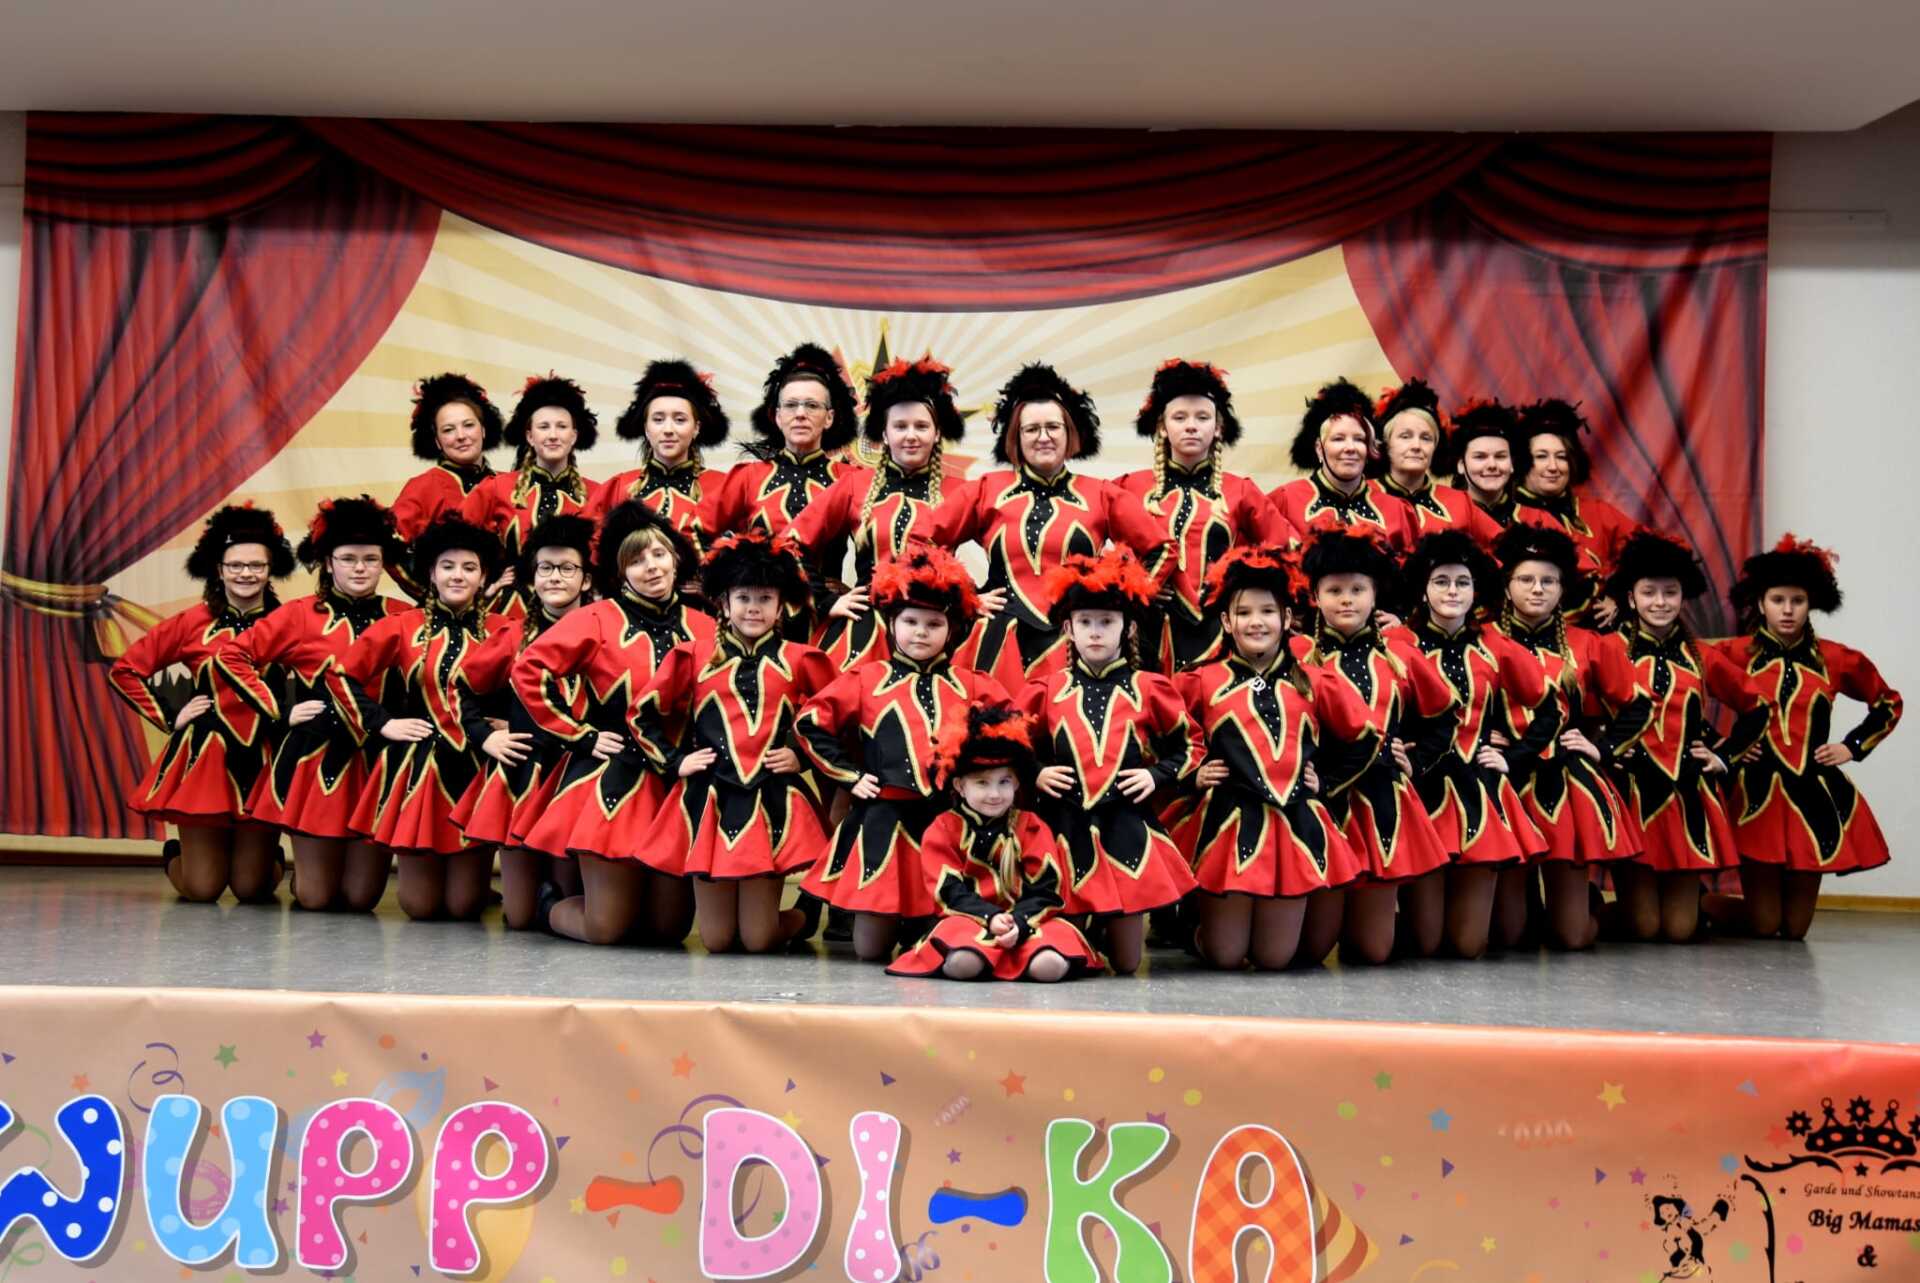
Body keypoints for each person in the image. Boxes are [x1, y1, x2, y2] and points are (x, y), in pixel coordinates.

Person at [514, 501, 715, 945]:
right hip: (615, 778)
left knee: (669, 931)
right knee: (605, 929)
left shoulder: (705, 626)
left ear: (676, 558)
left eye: (659, 554)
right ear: (620, 571)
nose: (651, 567)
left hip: (677, 781)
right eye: (636, 560)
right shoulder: (596, 618)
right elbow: (528, 671)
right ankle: (547, 906)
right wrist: (580, 735)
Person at [796, 545, 1009, 962]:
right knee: (869, 950)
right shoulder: (866, 678)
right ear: (892, 623)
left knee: (934, 942)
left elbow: (1013, 734)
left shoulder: (972, 684)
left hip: (948, 826)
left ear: (952, 629)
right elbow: (810, 723)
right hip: (883, 822)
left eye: (934, 624)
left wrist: (981, 785)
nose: (921, 633)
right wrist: (850, 776)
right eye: (910, 622)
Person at [630, 531, 835, 953]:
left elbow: (836, 719)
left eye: (765, 599)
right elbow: (641, 714)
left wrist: (800, 755)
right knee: (718, 940)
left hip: (771, 798)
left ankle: (802, 916)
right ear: (723, 603)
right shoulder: (692, 656)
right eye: (743, 598)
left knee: (758, 940)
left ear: (781, 605)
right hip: (709, 799)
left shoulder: (801, 659)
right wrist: (674, 761)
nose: (753, 608)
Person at [1172, 545, 1364, 971]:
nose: (1256, 622)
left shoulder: (1314, 680)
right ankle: (1195, 929)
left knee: (1275, 959)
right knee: (1225, 957)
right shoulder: (1201, 680)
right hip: (1229, 823)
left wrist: (1327, 781)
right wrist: (1193, 773)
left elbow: (1364, 737)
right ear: (1226, 622)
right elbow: (1165, 739)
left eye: (1267, 612)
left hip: (1296, 822)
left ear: (1287, 619)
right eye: (1243, 613)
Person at [1703, 535, 1902, 939]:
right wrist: (1723, 747)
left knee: (1795, 930)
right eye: (1778, 600)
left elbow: (1888, 703)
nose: (1788, 609)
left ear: (1812, 603)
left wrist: (1851, 746)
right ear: (1760, 603)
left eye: (1797, 600)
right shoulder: (1734, 653)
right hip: (1755, 793)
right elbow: (1678, 690)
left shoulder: (1836, 658)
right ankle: (1699, 904)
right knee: (1764, 926)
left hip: (1813, 792)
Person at [216, 496, 409, 912]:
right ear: (327, 562)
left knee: (360, 899)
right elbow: (232, 656)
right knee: (316, 898)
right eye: (348, 559)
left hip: (378, 758)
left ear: (383, 564)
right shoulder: (300, 615)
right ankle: (303, 878)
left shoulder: (403, 616)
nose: (360, 568)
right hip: (315, 758)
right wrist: (278, 711)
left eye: (371, 559)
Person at [925, 362, 1169, 691]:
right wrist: (965, 598)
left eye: (1053, 427)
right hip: (998, 641)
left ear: (1070, 433)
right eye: (1031, 429)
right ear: (1016, 436)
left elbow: (1161, 549)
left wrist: (1126, 599)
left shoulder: (1102, 494)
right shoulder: (985, 490)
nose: (1043, 437)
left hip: (1074, 643)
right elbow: (924, 543)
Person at [1017, 547, 1201, 975]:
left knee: (1127, 964)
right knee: (1068, 954)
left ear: (1128, 628)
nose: (1095, 632)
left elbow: (1192, 747)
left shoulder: (1150, 687)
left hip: (1126, 827)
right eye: (1085, 623)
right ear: (1068, 628)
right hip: (1064, 828)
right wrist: (1037, 772)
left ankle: (1108, 931)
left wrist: (1157, 775)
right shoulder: (1046, 689)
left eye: (1107, 622)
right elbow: (1009, 745)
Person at [327, 516, 515, 921]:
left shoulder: (506, 630)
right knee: (419, 906)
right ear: (431, 573)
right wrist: (382, 722)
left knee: (464, 907)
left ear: (484, 577)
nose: (457, 575)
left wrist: (510, 724)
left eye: (469, 567)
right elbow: (340, 675)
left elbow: (538, 684)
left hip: (480, 768)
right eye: (447, 566)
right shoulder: (401, 627)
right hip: (420, 769)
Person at [109, 504, 296, 903]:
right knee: (203, 888)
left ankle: (265, 859)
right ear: (218, 569)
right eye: (236, 565)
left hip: (266, 753)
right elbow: (125, 670)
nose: (246, 573)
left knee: (251, 889)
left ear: (271, 568)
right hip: (205, 756)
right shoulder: (191, 622)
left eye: (256, 565)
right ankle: (179, 855)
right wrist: (170, 716)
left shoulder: (291, 621)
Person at [1292, 530, 1456, 964]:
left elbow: (1443, 719)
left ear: (1375, 594)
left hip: (1384, 801)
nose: (1347, 600)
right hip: (1321, 801)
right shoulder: (1296, 654)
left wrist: (1415, 759)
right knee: (1310, 952)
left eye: (1358, 590)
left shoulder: (1402, 655)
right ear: (1315, 596)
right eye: (1334, 591)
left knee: (1373, 952)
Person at [1388, 531, 1550, 957]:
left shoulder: (1495, 646)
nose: (1452, 591)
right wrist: (1396, 749)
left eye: (1462, 582)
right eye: (1441, 581)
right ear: (1423, 588)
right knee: (1426, 945)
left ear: (1476, 590)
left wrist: (1515, 755)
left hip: (1480, 791)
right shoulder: (1397, 644)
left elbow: (1549, 707)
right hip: (1421, 792)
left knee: (1468, 946)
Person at [1603, 529, 1768, 945]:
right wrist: (1604, 749)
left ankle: (1700, 905)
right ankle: (1586, 909)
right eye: (1649, 592)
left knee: (1679, 932)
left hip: (1687, 794)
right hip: (1631, 793)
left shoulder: (1703, 656)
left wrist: (1724, 756)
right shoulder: (1606, 650)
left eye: (1670, 592)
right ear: (1630, 598)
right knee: (1644, 929)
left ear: (1683, 597)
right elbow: (1576, 708)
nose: (1660, 602)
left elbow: (1758, 707)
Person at [1491, 525, 1649, 949]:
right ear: (1507, 586)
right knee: (1511, 937)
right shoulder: (1484, 639)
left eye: (1548, 581)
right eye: (1526, 579)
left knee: (1572, 937)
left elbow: (1637, 705)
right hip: (1505, 780)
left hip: (1567, 783)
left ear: (1563, 589)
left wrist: (1602, 748)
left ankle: (1586, 905)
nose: (1537, 589)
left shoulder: (1590, 644)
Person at [448, 514, 596, 929]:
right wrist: (484, 737)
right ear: (532, 577)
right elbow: (461, 688)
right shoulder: (513, 636)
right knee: (519, 918)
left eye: (566, 568)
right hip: (522, 776)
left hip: (578, 776)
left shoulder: (606, 630)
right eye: (545, 568)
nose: (555, 577)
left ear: (586, 579)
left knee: (568, 899)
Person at [886, 701, 1101, 982]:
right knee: (964, 963)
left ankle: (1015, 957)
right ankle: (996, 959)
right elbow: (949, 891)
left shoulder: (1031, 825)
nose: (995, 794)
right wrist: (990, 917)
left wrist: (1019, 922)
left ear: (1017, 783)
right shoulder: (943, 828)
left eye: (1004, 782)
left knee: (1048, 967)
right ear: (959, 786)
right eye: (982, 783)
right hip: (968, 920)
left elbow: (1047, 889)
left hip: (1030, 921)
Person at [1115, 359, 1295, 673]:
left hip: (1219, 633)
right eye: (1179, 417)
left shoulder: (1241, 490)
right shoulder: (1129, 487)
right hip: (1145, 631)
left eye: (1202, 417)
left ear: (1218, 427)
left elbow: (1284, 549)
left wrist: (1240, 590)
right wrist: (1137, 581)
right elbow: (1097, 555)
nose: (1191, 426)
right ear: (1162, 426)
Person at [790, 355, 969, 670]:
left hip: (932, 632)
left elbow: (1009, 548)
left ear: (937, 432)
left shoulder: (960, 491)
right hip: (864, 633)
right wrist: (826, 600)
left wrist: (979, 596)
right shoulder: (854, 485)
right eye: (900, 426)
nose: (910, 435)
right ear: (884, 434)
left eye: (921, 426)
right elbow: (791, 543)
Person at [700, 343, 862, 635]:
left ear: (829, 417)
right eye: (791, 405)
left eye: (812, 405)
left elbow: (881, 545)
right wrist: (718, 584)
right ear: (777, 416)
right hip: (756, 625)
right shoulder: (748, 477)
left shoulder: (850, 480)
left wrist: (856, 592)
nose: (800, 414)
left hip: (824, 623)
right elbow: (694, 532)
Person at [460, 374, 602, 615]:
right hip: (511, 612)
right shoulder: (496, 488)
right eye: (544, 427)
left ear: (574, 435)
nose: (553, 435)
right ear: (529, 436)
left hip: (576, 613)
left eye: (562, 426)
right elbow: (456, 546)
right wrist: (488, 585)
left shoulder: (598, 494)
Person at [1513, 398, 1635, 623]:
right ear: (1522, 463)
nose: (1553, 467)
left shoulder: (1599, 513)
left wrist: (1619, 596)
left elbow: (1656, 555)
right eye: (1541, 457)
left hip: (1602, 634)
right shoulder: (1509, 516)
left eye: (1561, 457)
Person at [1270, 378, 1416, 555]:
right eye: (1338, 439)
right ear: (1319, 448)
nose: (1350, 448)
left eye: (1359, 439)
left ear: (1369, 448)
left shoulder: (1396, 510)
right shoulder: (1284, 501)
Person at [590, 358, 731, 539]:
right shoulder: (617, 488)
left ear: (696, 427)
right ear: (646, 428)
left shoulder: (723, 488)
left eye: (679, 420)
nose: (668, 429)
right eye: (658, 419)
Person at [1371, 380, 1503, 549]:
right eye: (1405, 436)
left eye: (1426, 438)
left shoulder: (1460, 502)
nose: (1416, 446)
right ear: (1387, 443)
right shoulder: (1364, 495)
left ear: (1435, 447)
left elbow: (1507, 545)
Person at [392, 373, 504, 542]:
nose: (461, 436)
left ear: (483, 430)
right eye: (448, 430)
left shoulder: (511, 485)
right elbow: (391, 543)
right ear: (437, 441)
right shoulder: (421, 488)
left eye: (468, 425)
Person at [1437, 399, 1531, 530]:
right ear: (1461, 465)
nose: (1492, 465)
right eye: (1480, 457)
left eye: (1500, 456)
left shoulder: (1537, 521)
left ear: (1512, 464)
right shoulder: (1440, 520)